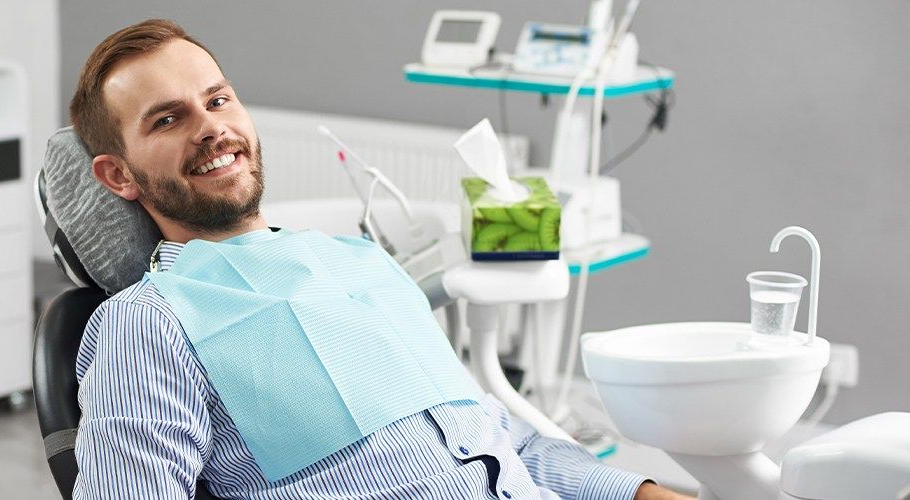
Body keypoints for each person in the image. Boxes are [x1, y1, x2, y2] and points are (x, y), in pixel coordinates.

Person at [67, 18, 692, 500]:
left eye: (219, 100)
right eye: (169, 119)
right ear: (119, 174)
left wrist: (639, 490)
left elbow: (496, 437)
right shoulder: (150, 322)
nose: (210, 128)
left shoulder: (363, 263)